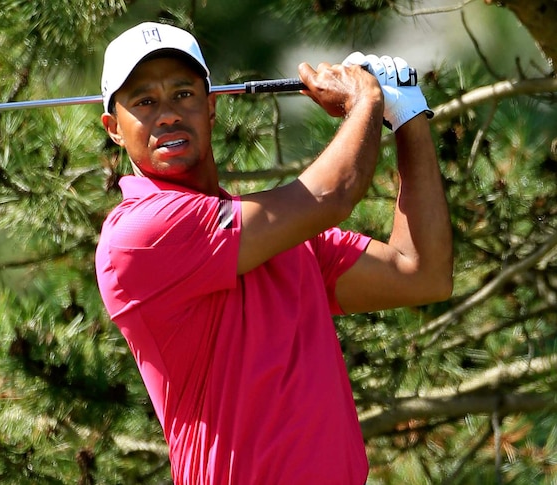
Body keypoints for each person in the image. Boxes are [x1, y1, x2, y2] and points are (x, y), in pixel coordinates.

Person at [94, 21, 453, 485]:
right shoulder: (137, 235)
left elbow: (420, 272)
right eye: (144, 102)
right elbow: (332, 195)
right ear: (114, 129)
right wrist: (366, 100)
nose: (167, 114)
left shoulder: (284, 238)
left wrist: (408, 118)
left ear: (211, 105)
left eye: (183, 93)